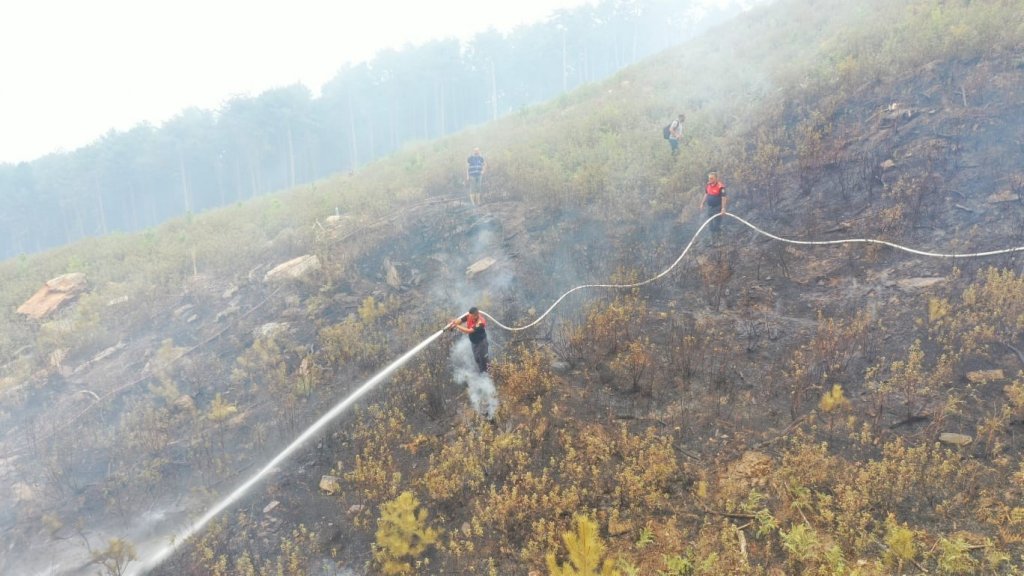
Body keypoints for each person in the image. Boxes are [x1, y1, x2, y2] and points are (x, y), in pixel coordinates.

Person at [448, 306, 488, 373]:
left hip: (481, 344)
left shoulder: (480, 322)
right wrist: (453, 323)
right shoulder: (469, 315)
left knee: (484, 361)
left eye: (471, 316)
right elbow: (461, 320)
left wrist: (456, 326)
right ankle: (481, 371)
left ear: (476, 315)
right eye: (469, 315)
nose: (469, 317)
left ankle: (486, 375)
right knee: (477, 359)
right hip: (474, 342)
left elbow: (469, 331)